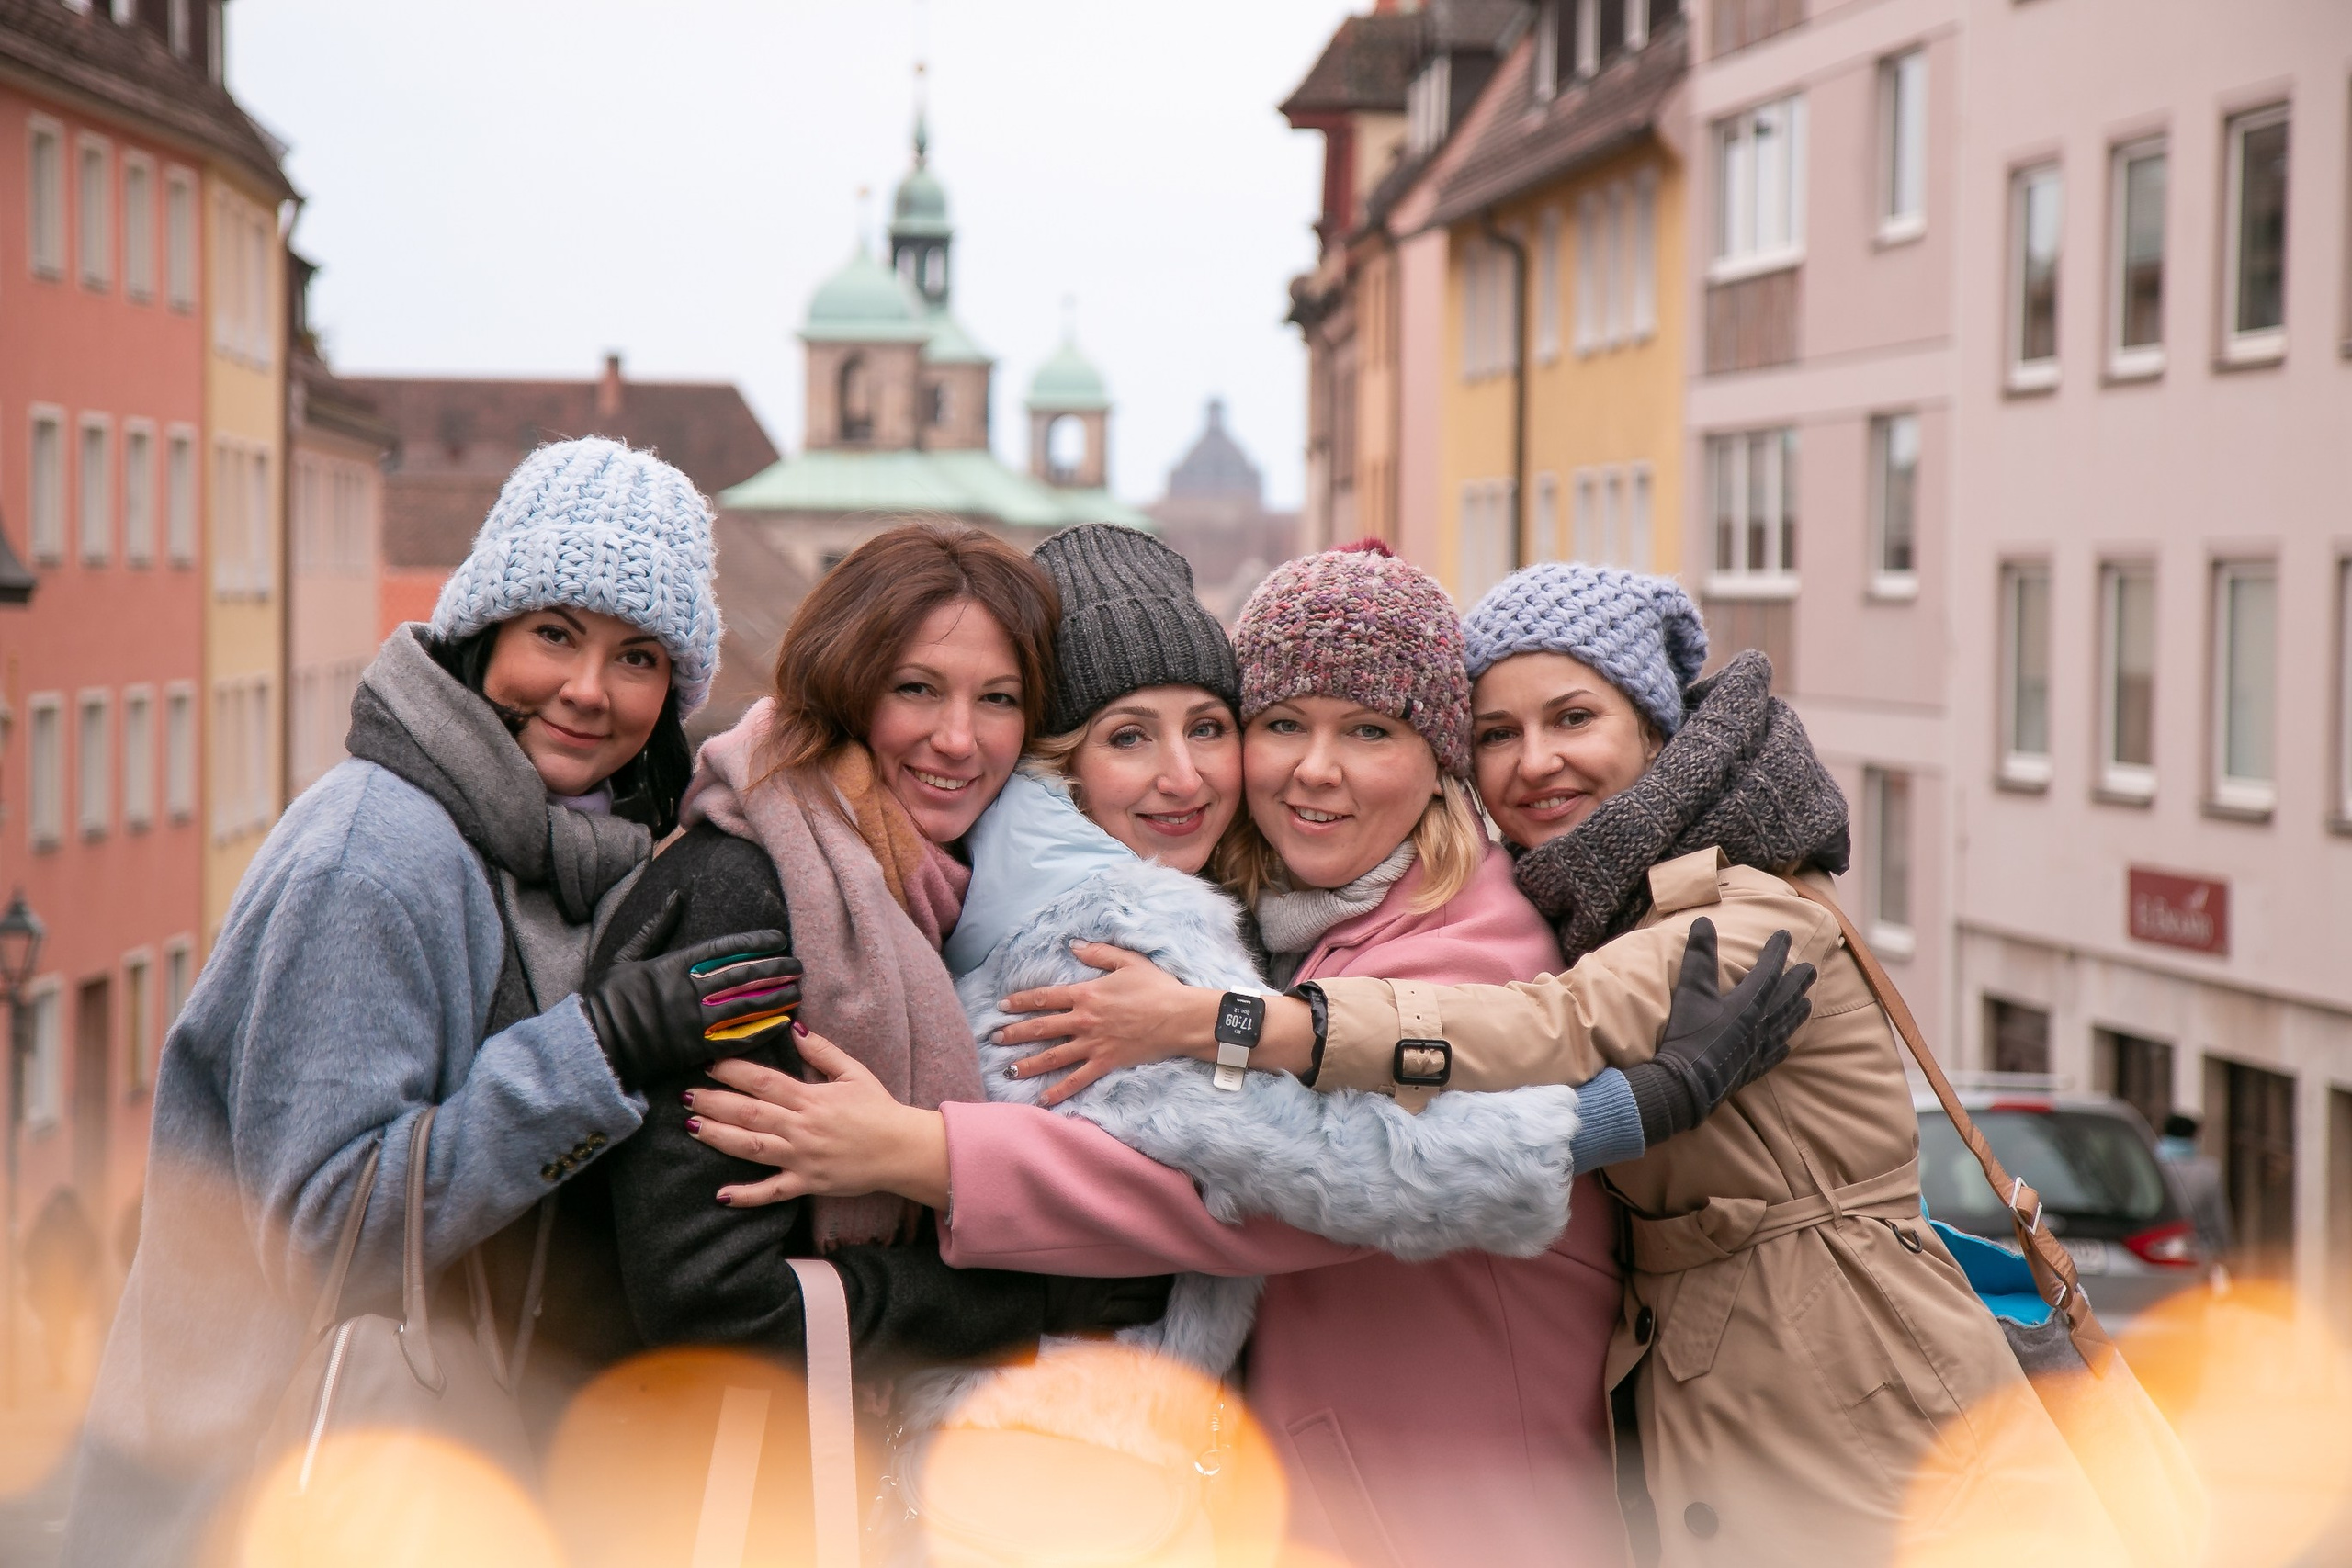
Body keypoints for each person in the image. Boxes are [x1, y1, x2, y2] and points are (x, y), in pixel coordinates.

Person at [693, 542, 1810, 1568]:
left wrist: (924, 1153)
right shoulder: (1280, 924)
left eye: (1369, 731)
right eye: (1280, 723)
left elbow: (1261, 1191)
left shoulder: (1470, 947)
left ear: (1438, 763)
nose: (1313, 770)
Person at [1007, 560, 2128, 1566]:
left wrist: (1227, 1023)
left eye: (1573, 718)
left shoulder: (1740, 913)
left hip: (1840, 1387)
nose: (1534, 761)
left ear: (1654, 729)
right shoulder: (1590, 901)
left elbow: (1548, 1026)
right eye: (1498, 732)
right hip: (1702, 1402)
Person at [61, 438, 801, 1567]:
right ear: (483, 631)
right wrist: (598, 1047)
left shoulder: (576, 849)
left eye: (638, 656)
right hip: (255, 1497)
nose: (589, 689)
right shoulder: (370, 855)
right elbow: (328, 1237)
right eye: (554, 633)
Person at [581, 521, 1170, 1411]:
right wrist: (1028, 1302)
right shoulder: (748, 894)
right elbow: (710, 1302)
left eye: (998, 699)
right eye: (916, 689)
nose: (958, 739)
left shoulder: (927, 896)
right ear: (845, 689)